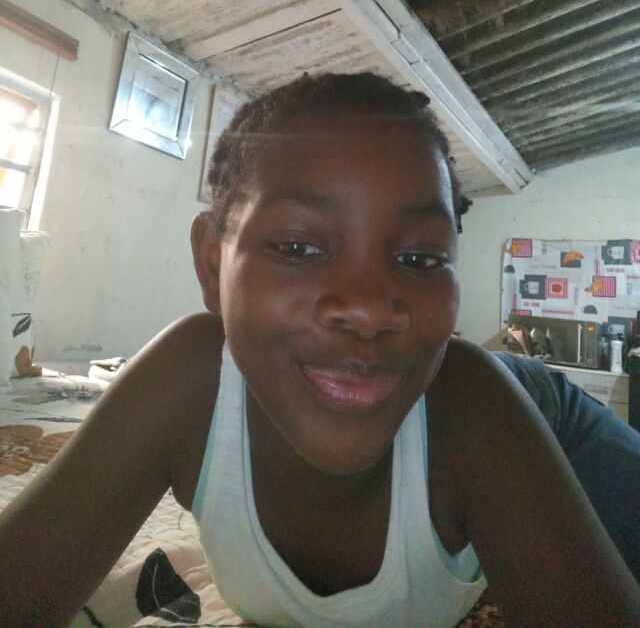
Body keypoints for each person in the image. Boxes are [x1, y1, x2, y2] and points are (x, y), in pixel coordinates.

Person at [0, 71, 639, 627]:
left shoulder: (472, 414)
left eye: (420, 258)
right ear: (212, 263)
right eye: (298, 247)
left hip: (538, 404)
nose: (368, 307)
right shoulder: (187, 382)